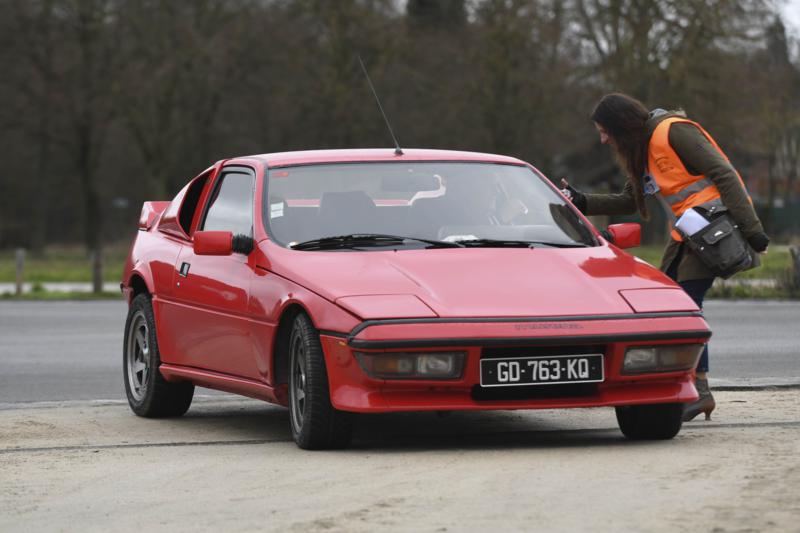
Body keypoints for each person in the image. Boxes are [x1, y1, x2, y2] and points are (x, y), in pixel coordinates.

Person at [562, 93, 770, 422]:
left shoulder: (673, 131)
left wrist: (753, 230)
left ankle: (698, 391)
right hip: (689, 235)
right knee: (671, 307)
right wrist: (580, 201)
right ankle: (691, 389)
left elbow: (725, 173)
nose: (603, 140)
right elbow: (629, 201)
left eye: (605, 131)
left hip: (714, 230)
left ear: (621, 125)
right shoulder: (643, 150)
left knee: (684, 308)